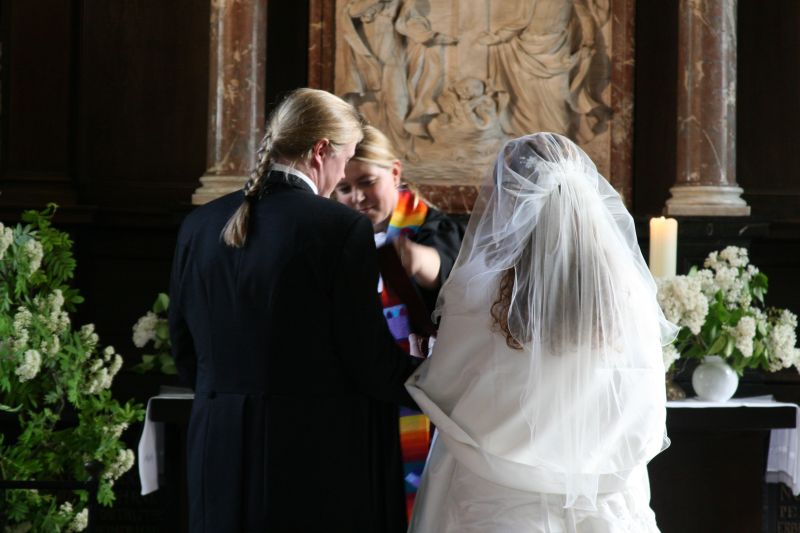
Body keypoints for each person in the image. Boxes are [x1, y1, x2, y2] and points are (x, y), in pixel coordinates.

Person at [168, 88, 422, 532]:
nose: (341, 176)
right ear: (321, 151)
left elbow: (184, 347)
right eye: (345, 159)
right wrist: (432, 382)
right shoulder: (339, 228)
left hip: (215, 448)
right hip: (304, 456)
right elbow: (365, 358)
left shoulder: (199, 224)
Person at [406, 132, 679, 532]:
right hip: (602, 497)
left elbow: (448, 391)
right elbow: (644, 402)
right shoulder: (627, 295)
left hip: (497, 499)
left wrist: (425, 365)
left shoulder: (477, 290)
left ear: (512, 203)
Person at [334, 124, 463, 520]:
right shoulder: (337, 239)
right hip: (360, 403)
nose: (356, 197)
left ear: (394, 172)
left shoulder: (432, 227)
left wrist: (412, 259)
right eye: (344, 188)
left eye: (367, 182)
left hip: (419, 397)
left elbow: (441, 266)